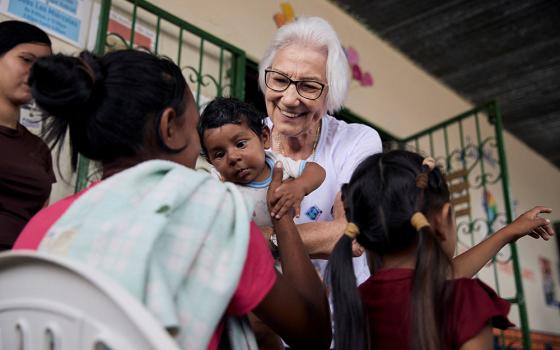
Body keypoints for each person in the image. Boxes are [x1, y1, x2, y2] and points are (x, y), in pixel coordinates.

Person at [13, 49, 331, 350]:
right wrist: (283, 216)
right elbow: (313, 333)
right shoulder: (209, 214)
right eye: (195, 130)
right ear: (170, 128)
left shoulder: (42, 227)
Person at [327, 150, 555, 350]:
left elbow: (432, 280)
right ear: (443, 217)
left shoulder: (354, 299)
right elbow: (438, 282)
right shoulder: (464, 299)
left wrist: (507, 232)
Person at [198, 97, 326, 228]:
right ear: (210, 161)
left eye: (240, 144)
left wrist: (300, 186)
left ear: (264, 137)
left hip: (282, 242)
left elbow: (317, 171)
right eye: (219, 154)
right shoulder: (218, 181)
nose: (232, 157)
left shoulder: (278, 164)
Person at [0, 20, 54, 250]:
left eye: (43, 67)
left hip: (19, 268)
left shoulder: (39, 148)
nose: (35, 73)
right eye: (26, 60)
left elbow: (41, 223)